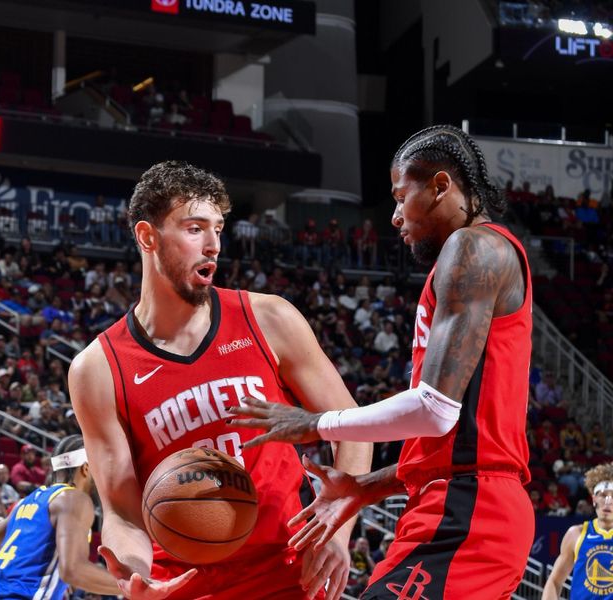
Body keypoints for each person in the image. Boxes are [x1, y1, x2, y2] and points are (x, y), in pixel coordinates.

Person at [230, 125, 534, 599]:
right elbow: (454, 442)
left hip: (470, 512)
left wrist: (317, 423)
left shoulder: (473, 248)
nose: (393, 217)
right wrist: (363, 488)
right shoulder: (474, 257)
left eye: (399, 196)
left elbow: (435, 411)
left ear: (439, 186)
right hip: (458, 504)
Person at [69, 161, 371, 600]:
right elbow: (122, 510)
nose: (213, 245)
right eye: (194, 228)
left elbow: (354, 427)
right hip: (185, 586)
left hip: (288, 574)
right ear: (147, 237)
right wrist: (136, 574)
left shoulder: (268, 318)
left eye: (218, 229)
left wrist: (337, 531)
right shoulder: (97, 368)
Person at [0, 435, 120, 599]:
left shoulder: (24, 504)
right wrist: (132, 587)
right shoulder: (74, 499)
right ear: (85, 468)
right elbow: (73, 570)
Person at [542, 463, 613, 599]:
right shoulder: (576, 534)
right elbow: (554, 581)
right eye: (603, 495)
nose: (608, 501)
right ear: (593, 499)